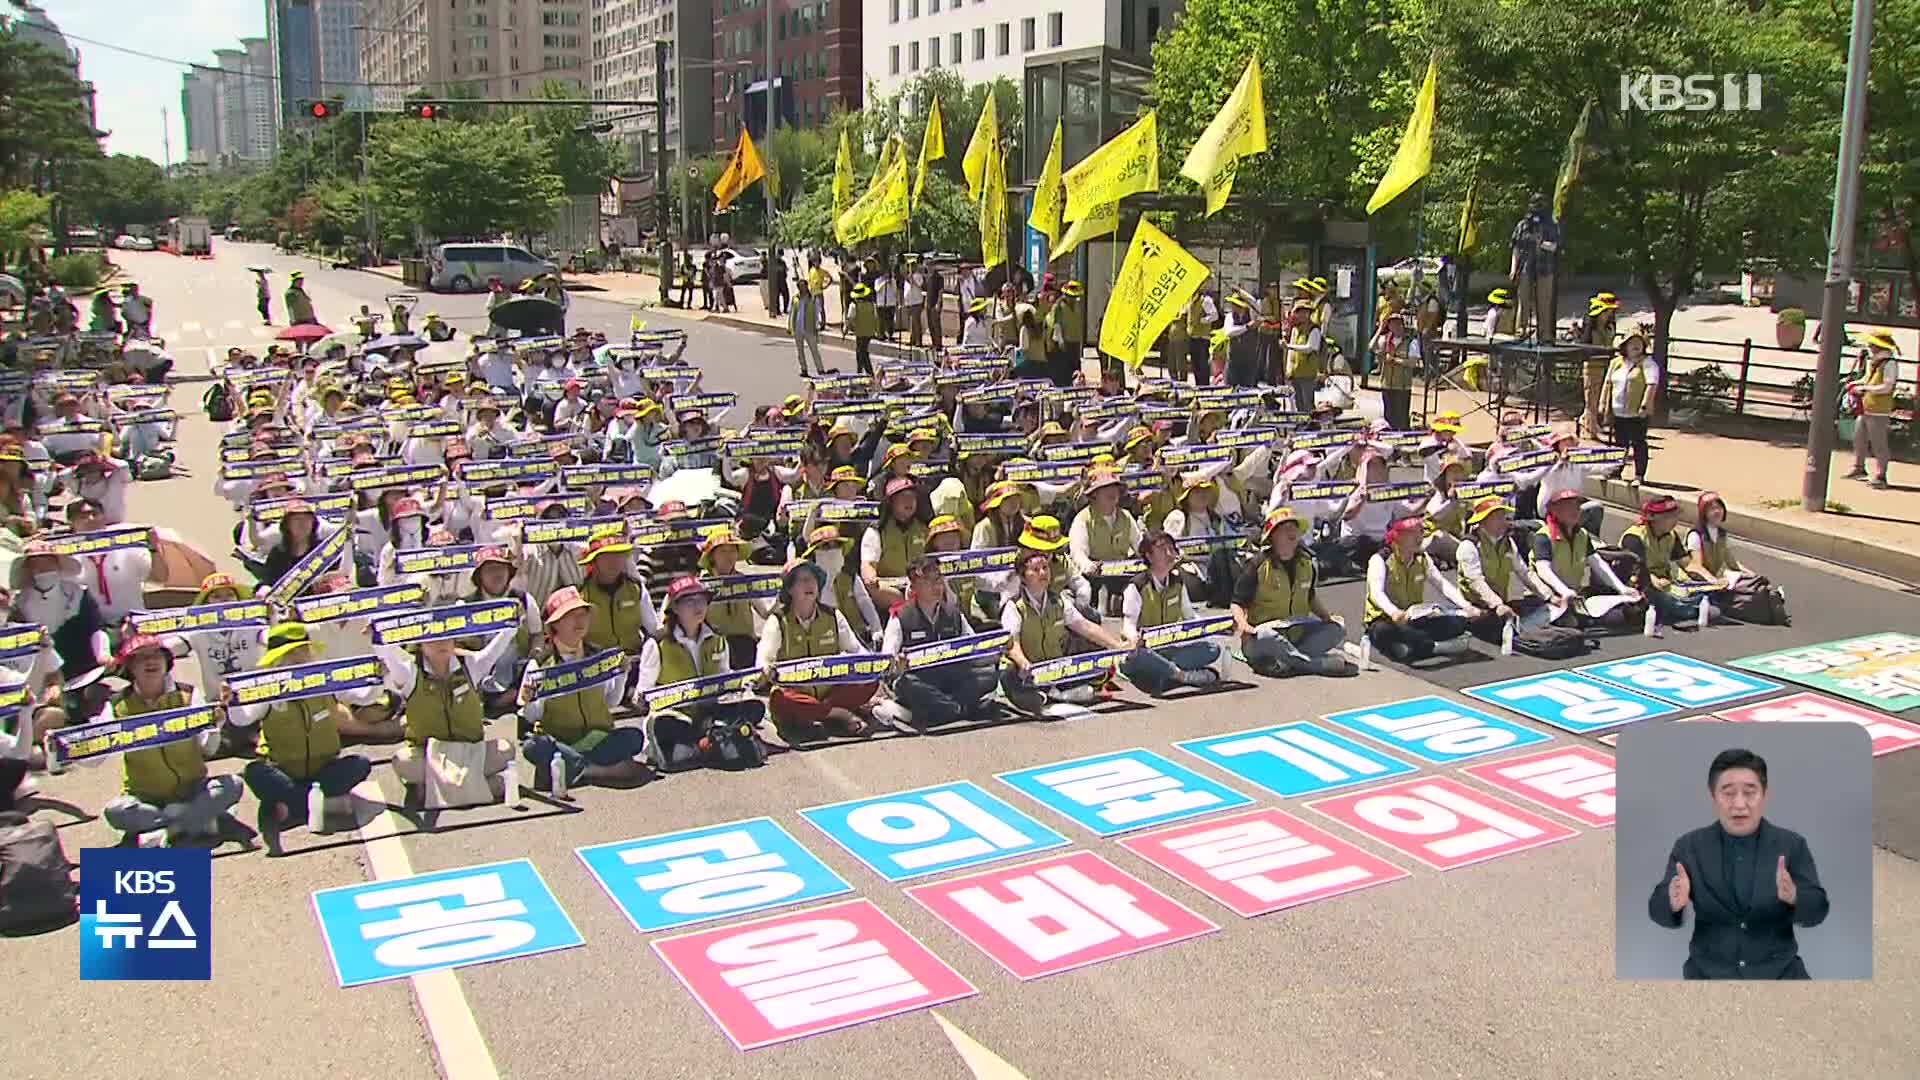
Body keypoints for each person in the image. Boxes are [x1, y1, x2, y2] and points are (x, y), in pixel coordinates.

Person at [1648, 748, 1829, 979]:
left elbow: (1818, 910)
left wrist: (1795, 896)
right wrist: (1672, 902)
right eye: (1728, 793)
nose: (1739, 804)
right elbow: (1657, 909)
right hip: (1708, 974)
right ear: (1713, 795)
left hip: (1781, 973)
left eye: (1750, 792)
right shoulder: (1689, 847)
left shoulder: (1791, 845)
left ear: (1765, 794)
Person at [228, 624, 379, 853]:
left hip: (324, 767)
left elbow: (364, 696)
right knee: (254, 772)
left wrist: (379, 677)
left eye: (302, 651)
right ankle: (317, 803)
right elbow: (242, 718)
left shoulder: (324, 679)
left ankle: (291, 806)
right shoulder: (266, 689)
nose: (298, 658)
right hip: (283, 770)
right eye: (290, 654)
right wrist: (232, 702)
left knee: (360, 764)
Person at [100, 635, 243, 846]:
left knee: (233, 785)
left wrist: (216, 726)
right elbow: (94, 756)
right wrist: (61, 749)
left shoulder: (189, 695)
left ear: (167, 662)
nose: (152, 662)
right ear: (130, 667)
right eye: (142, 658)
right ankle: (198, 819)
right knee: (115, 812)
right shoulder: (115, 705)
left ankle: (169, 829)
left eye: (157, 656)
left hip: (193, 789)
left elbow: (208, 749)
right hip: (145, 797)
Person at [371, 620, 519, 805]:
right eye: (433, 638)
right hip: (429, 754)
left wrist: (513, 619)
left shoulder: (469, 664)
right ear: (421, 642)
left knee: (506, 749)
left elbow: (499, 644)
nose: (442, 643)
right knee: (402, 762)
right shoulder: (410, 672)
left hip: (470, 752)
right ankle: (488, 788)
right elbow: (386, 653)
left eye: (447, 637)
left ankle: (434, 792)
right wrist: (377, 634)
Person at [631, 575, 768, 770]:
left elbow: (725, 678)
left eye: (702, 600)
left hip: (708, 712)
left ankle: (700, 746)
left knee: (754, 707)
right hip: (676, 714)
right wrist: (645, 699)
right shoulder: (657, 644)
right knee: (663, 724)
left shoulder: (717, 638)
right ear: (675, 608)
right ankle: (715, 740)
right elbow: (643, 693)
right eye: (689, 601)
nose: (698, 606)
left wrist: (743, 685)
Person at [519, 586, 650, 790]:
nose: (579, 621)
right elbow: (532, 716)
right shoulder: (540, 664)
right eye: (571, 616)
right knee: (533, 746)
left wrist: (623, 674)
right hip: (562, 740)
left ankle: (570, 769)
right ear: (555, 624)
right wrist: (529, 699)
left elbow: (611, 701)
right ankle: (598, 771)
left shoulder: (597, 656)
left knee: (635, 737)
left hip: (596, 737)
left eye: (583, 615)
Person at [874, 555, 1000, 731]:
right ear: (915, 585)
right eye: (929, 581)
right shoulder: (901, 617)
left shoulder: (954, 614)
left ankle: (936, 712)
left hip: (951, 677)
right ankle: (962, 709)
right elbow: (887, 660)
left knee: (990, 675)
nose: (937, 586)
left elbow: (974, 647)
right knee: (906, 685)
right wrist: (898, 665)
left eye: (940, 579)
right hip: (920, 679)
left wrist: (996, 648)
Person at [1000, 549, 1128, 718]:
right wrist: (1024, 663)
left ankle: (1058, 694)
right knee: (1011, 678)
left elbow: (1086, 627)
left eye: (1045, 567)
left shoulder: (1059, 601)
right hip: (1026, 671)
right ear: (1023, 577)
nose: (1043, 573)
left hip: (1055, 668)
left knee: (1098, 662)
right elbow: (1012, 644)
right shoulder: (1013, 606)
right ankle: (1050, 695)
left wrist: (1118, 647)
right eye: (1035, 570)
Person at [757, 560, 878, 736]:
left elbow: (857, 651)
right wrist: (765, 670)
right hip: (797, 693)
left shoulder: (833, 615)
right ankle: (840, 714)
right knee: (780, 699)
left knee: (870, 681)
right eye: (803, 580)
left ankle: (818, 714)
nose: (810, 584)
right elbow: (764, 658)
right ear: (790, 589)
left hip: (831, 690)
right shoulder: (777, 621)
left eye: (813, 579)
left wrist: (875, 666)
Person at [1119, 530, 1224, 695]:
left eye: (1172, 549)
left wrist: (1215, 628)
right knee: (1140, 656)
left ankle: (1164, 675)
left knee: (1212, 648)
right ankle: (1182, 676)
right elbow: (1128, 626)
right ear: (1149, 556)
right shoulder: (1136, 586)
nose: (1169, 554)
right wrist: (1134, 638)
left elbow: (1190, 617)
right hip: (1145, 651)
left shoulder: (1178, 583)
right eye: (1162, 549)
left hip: (1169, 648)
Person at [1363, 516, 1480, 663]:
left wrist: (1466, 606)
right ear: (1397, 536)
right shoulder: (1380, 560)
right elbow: (1376, 593)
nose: (1419, 537)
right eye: (1413, 533)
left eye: (1420, 532)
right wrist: (1394, 612)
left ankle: (1411, 647)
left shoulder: (1422, 557)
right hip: (1387, 619)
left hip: (1413, 617)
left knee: (1459, 622)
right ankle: (1435, 647)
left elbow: (1442, 584)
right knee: (1382, 631)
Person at [1530, 487, 1645, 628]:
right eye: (1568, 507)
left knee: (1621, 616)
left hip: (1573, 595)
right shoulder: (1544, 536)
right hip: (1548, 597)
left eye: (1577, 506)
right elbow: (1543, 570)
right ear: (1554, 511)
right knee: (1571, 624)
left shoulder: (1582, 534)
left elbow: (1597, 563)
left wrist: (1622, 588)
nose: (1575, 511)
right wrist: (1563, 590)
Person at [1455, 495, 1556, 645]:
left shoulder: (1507, 542)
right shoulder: (1469, 546)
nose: (1504, 521)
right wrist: (1497, 604)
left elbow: (1524, 573)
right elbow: (1476, 581)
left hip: (1502, 604)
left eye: (1504, 516)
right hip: (1477, 607)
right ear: (1483, 521)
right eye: (1498, 517)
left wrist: (1548, 596)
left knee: (1545, 608)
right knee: (1501, 629)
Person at [1620, 494, 1721, 626]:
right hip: (1643, 585)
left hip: (1667, 585)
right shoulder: (1634, 537)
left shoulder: (1671, 536)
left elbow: (1689, 565)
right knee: (1661, 597)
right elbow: (1637, 572)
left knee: (1703, 591)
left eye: (1676, 515)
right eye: (1670, 516)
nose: (1675, 520)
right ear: (1653, 517)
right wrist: (1656, 581)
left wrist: (1712, 580)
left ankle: (1690, 606)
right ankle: (1690, 610)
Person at [1068, 468, 1144, 614]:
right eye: (1106, 488)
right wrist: (1089, 566)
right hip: (1096, 574)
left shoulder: (1126, 516)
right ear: (1094, 494)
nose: (1112, 492)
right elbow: (1078, 553)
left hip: (1124, 571)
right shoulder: (1083, 519)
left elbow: (1139, 545)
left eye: (1114, 487)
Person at [1845, 328, 1899, 489]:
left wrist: (1867, 388)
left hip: (1879, 409)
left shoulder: (1889, 364)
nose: (1869, 346)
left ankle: (1881, 476)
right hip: (1866, 406)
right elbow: (1868, 378)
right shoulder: (1875, 362)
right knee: (1858, 437)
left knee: (1878, 443)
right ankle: (1859, 468)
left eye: (1872, 344)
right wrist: (1856, 383)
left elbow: (1887, 386)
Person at [1606, 326, 1659, 485]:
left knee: (1638, 442)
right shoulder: (1616, 363)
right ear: (1625, 346)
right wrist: (1604, 404)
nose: (1635, 346)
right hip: (1618, 410)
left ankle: (1639, 475)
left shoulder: (1648, 364)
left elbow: (1652, 384)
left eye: (1638, 342)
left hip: (1637, 412)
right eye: (1631, 343)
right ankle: (1616, 470)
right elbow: (1608, 384)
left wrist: (1645, 405)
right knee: (1619, 443)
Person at [1509, 190, 1561, 342]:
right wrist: (1513, 268)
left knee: (1544, 303)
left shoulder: (1551, 225)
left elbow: (1554, 246)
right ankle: (1521, 331)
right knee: (1523, 300)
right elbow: (1516, 247)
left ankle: (1544, 334)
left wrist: (1541, 243)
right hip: (1525, 267)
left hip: (1545, 268)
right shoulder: (1523, 225)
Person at [1580, 292, 1619, 438]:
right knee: (1592, 398)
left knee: (1602, 398)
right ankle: (1590, 427)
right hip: (1592, 366)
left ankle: (1588, 422)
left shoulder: (1610, 327)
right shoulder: (1591, 328)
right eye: (1607, 311)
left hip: (1606, 366)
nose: (1609, 314)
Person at [791, 278, 827, 376]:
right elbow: (792, 313)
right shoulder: (795, 298)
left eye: (804, 286)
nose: (802, 288)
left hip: (809, 328)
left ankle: (820, 369)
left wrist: (817, 326)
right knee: (800, 351)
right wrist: (791, 327)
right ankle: (804, 369)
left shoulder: (813, 298)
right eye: (800, 286)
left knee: (814, 350)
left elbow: (816, 313)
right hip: (798, 328)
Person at [848, 282, 879, 375]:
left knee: (861, 351)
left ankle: (865, 372)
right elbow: (876, 318)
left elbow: (850, 318)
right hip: (869, 331)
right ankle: (862, 371)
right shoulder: (872, 304)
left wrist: (849, 328)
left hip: (860, 331)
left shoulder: (854, 305)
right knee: (862, 350)